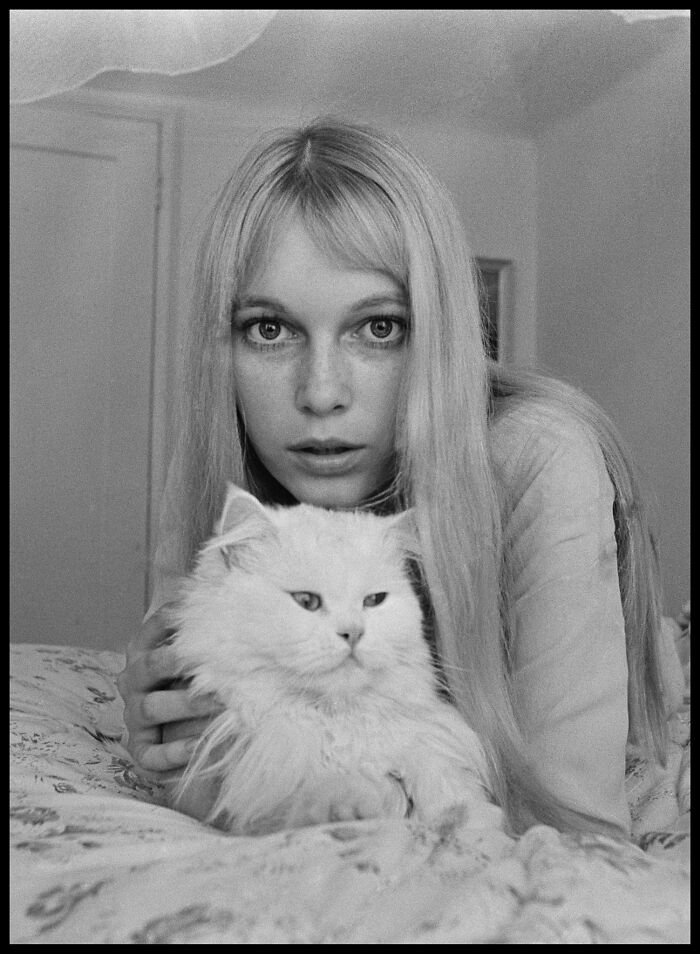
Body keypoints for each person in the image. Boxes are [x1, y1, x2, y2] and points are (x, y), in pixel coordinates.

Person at [117, 116, 675, 838]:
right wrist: (166, 734)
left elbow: (574, 830)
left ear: (438, 335)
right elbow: (198, 757)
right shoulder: (219, 454)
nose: (321, 394)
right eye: (269, 329)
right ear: (222, 346)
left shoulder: (541, 457)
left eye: (377, 328)